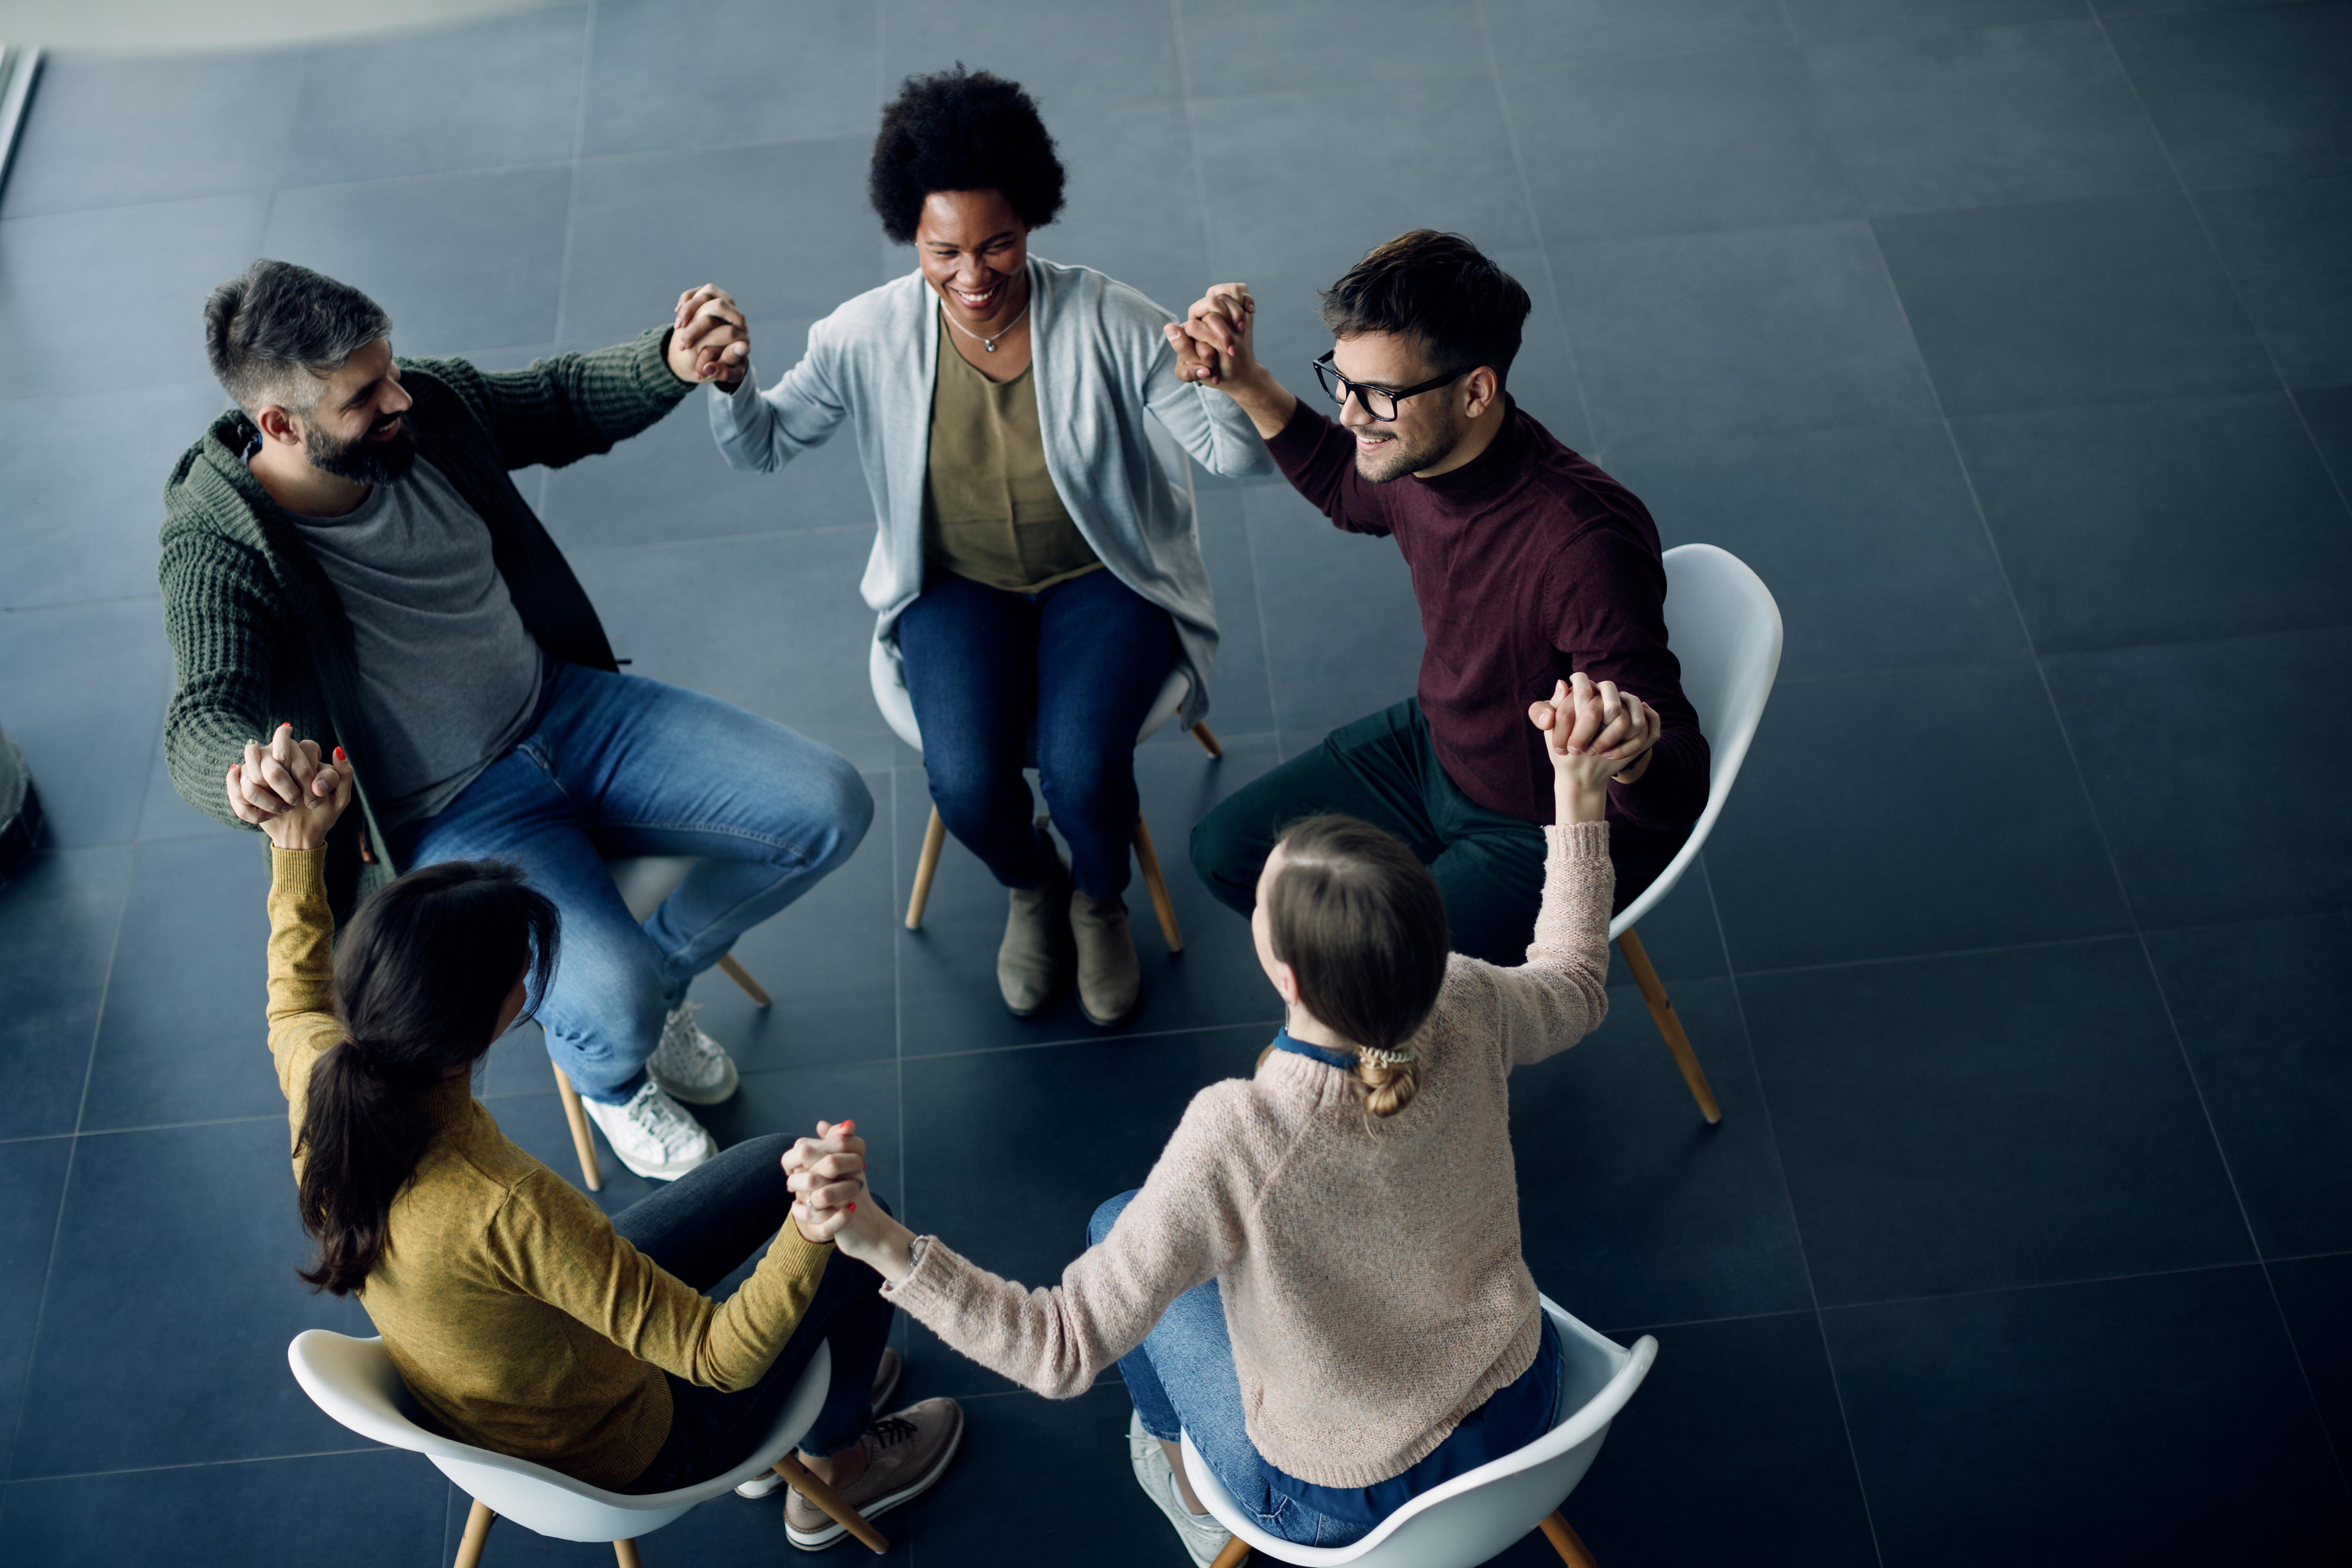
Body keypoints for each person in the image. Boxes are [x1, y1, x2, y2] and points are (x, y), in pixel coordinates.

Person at [778, 675, 1636, 1562]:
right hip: (1525, 1405)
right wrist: (1578, 793)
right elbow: (1575, 983)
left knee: (1116, 1224)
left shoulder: (1241, 1134)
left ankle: (1193, 1494)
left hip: (1342, 1500)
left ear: (1289, 978)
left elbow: (1062, 1348)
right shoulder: (1464, 994)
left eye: (1261, 906)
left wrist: (880, 1242)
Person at [163, 259, 876, 1179]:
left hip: (568, 709)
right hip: (451, 813)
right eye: (364, 396)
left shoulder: (426, 411)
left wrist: (670, 359)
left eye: (392, 371)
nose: (401, 400)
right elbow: (199, 722)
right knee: (606, 1007)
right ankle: (615, 1080)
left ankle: (661, 986)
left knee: (831, 805)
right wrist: (249, 772)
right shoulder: (221, 542)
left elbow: (557, 400)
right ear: (280, 425)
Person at [234, 735, 960, 1551]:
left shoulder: (326, 1081)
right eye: (523, 972)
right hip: (639, 1447)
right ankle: (837, 1463)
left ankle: (825, 1397)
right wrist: (814, 1227)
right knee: (859, 1232)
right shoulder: (502, 1206)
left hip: (520, 1376)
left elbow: (292, 1000)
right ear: (476, 1031)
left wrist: (297, 846)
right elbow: (714, 1357)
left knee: (772, 1162)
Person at [701, 67, 1273, 1026]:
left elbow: (1234, 459)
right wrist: (728, 386)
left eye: (998, 244)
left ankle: (1100, 898)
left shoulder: (1111, 319)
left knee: (1085, 767)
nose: (974, 277)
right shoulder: (863, 335)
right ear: (909, 237)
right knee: (965, 780)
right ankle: (1032, 882)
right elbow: (762, 445)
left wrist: (1235, 380)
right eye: (944, 251)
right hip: (955, 586)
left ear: (1034, 222)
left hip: (1105, 578)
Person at [1171, 232, 1709, 965]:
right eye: (1342, 379)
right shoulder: (1414, 458)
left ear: (1477, 390)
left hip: (1541, 824)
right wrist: (1245, 381)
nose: (1351, 416)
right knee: (1228, 852)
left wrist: (1632, 751)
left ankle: (1405, 1040)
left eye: (1381, 396)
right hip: (1442, 745)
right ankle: (1384, 1015)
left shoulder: (1582, 545)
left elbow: (1678, 784)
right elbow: (1342, 485)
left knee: (1381, 971)